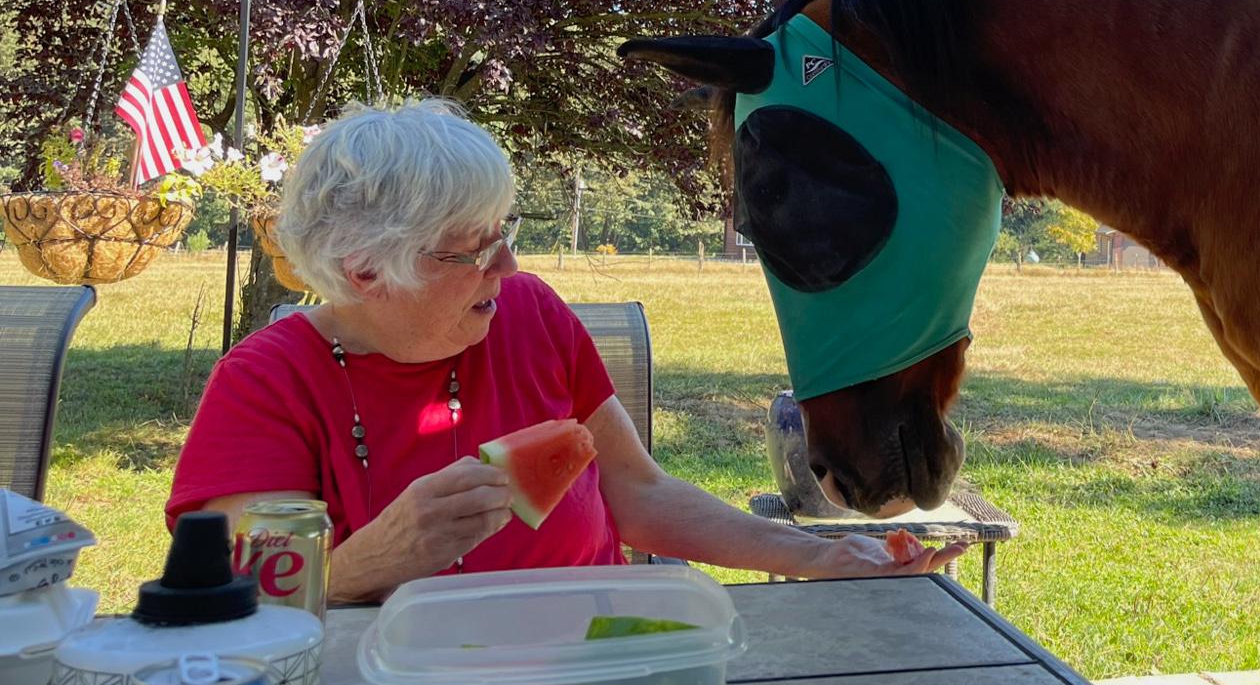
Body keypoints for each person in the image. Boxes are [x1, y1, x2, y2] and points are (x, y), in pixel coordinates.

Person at [167, 98, 965, 603]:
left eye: (504, 234)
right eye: (471, 250)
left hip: (595, 660)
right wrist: (370, 559)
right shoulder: (265, 384)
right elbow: (231, 597)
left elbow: (638, 493)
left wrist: (817, 557)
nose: (508, 266)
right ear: (366, 271)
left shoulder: (531, 315)